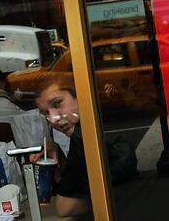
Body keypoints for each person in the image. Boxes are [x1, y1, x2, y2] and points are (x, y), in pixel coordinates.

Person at [34, 77, 137, 218]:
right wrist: (58, 155)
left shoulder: (86, 134)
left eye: (58, 103)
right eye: (46, 113)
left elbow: (65, 207)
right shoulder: (89, 128)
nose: (53, 118)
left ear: (80, 95)